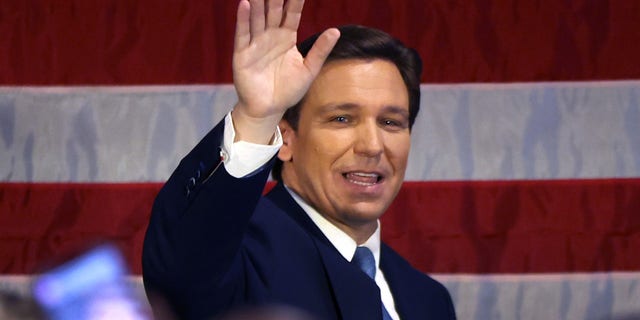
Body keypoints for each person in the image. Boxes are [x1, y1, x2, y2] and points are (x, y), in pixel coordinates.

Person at [142, 0, 456, 319]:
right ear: (286, 138)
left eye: (391, 123)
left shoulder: (428, 299)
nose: (373, 146)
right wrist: (257, 118)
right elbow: (179, 281)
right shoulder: (234, 253)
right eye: (342, 119)